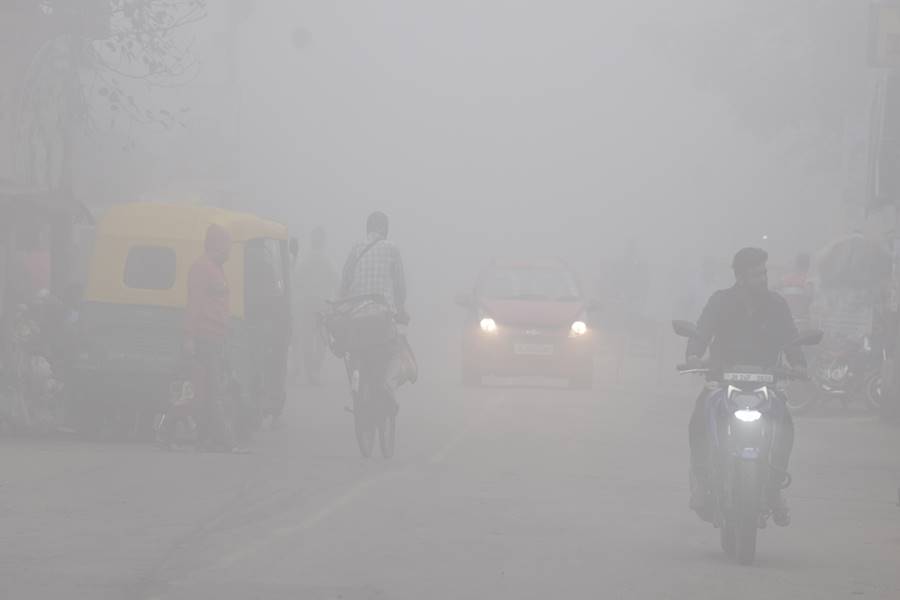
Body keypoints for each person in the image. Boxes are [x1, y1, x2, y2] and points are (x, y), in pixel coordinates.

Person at [684, 247, 805, 526]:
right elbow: (702, 331)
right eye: (755, 274)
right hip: (722, 379)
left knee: (785, 426)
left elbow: (791, 338)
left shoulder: (777, 304)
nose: (762, 279)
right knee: (698, 421)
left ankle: (774, 489)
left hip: (766, 382)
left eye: (763, 273)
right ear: (739, 277)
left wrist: (799, 363)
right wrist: (693, 355)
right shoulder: (720, 301)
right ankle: (702, 482)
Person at [339, 212, 416, 400]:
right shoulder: (391, 248)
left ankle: (356, 380)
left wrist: (344, 304)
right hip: (383, 314)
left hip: (355, 314)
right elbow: (400, 286)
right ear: (385, 229)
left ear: (368, 228)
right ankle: (388, 384)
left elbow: (345, 281)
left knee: (352, 350)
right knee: (397, 351)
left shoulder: (356, 248)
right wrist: (401, 308)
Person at [183, 224, 243, 453]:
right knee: (212, 391)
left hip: (217, 337)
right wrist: (189, 336)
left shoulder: (216, 269)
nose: (229, 251)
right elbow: (194, 304)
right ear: (216, 245)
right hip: (205, 337)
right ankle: (227, 442)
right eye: (227, 246)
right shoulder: (202, 268)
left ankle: (206, 438)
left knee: (211, 390)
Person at [292, 227, 338, 384]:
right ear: (324, 242)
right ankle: (315, 370)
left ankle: (309, 371)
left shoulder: (305, 260)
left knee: (307, 338)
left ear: (311, 241)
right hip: (323, 304)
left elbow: (296, 280)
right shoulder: (328, 261)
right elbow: (335, 280)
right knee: (321, 339)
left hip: (307, 303)